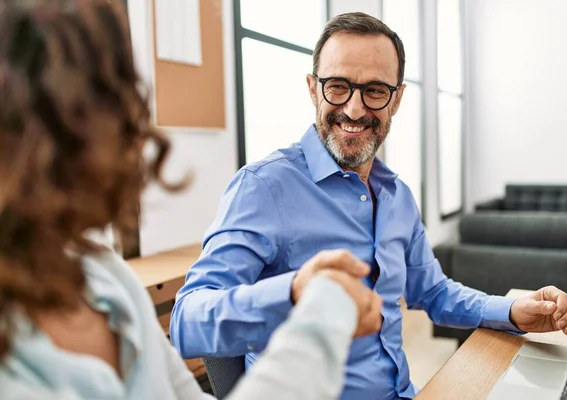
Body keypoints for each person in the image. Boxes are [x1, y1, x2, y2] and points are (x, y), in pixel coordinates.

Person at [170, 11, 567, 400]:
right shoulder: (262, 187)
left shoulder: (397, 195)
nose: (354, 108)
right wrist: (293, 294)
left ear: (397, 99)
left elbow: (434, 293)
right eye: (337, 86)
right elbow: (187, 321)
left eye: (374, 91)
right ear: (313, 88)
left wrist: (513, 310)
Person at [0, 1, 383, 399]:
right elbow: (190, 318)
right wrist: (318, 314)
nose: (132, 142)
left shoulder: (103, 276)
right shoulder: (263, 185)